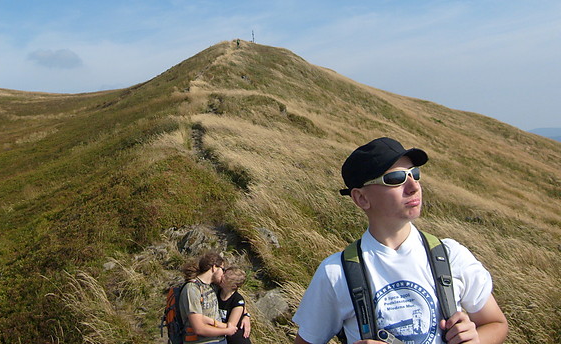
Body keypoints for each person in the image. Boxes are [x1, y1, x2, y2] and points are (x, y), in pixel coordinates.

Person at [292, 137, 508, 344]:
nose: (413, 186)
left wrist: (475, 339)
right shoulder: (336, 273)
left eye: (414, 174)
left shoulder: (451, 255)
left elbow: (496, 323)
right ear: (361, 198)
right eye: (395, 179)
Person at [179, 252, 238, 344]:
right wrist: (226, 331)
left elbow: (233, 297)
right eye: (222, 269)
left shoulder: (213, 286)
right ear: (214, 267)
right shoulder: (192, 289)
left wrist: (246, 315)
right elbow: (199, 328)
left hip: (220, 340)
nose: (223, 274)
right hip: (202, 342)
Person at [218, 267, 252, 344]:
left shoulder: (237, 300)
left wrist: (208, 322)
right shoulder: (217, 291)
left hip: (237, 340)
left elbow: (231, 326)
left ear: (234, 286)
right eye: (224, 273)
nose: (222, 277)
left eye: (226, 278)